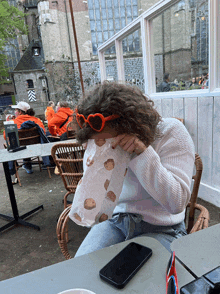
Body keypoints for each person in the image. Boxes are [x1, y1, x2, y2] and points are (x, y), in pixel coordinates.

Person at [73, 81, 195, 257]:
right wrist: (94, 166)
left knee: (142, 281)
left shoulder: (172, 133)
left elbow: (177, 203)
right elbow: (98, 202)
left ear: (131, 126)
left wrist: (142, 153)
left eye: (107, 142)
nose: (104, 147)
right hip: (117, 221)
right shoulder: (97, 138)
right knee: (81, 269)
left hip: (164, 227)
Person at [3, 102, 47, 179]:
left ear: (20, 112)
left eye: (16, 110)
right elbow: (43, 132)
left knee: (9, 144)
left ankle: (17, 167)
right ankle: (27, 165)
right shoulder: (36, 120)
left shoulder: (14, 122)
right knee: (27, 142)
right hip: (34, 144)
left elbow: (5, 136)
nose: (15, 112)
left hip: (20, 146)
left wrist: (10, 121)